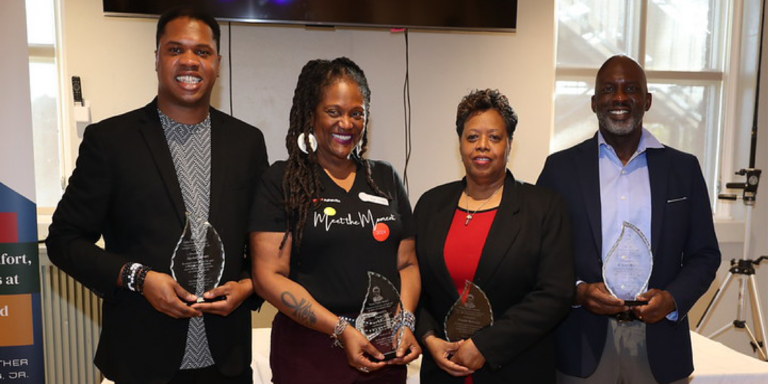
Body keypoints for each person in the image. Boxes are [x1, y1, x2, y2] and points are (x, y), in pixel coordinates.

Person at [45, 7, 268, 384]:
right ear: (157, 58)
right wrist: (138, 278)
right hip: (140, 361)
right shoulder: (111, 142)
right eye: (175, 49)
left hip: (226, 363)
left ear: (217, 62)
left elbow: (263, 244)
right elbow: (63, 240)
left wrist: (247, 287)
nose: (189, 61)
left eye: (202, 51)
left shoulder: (247, 142)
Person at [537, 55, 721, 384]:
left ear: (647, 100)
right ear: (595, 102)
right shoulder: (560, 170)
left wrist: (672, 299)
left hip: (661, 343)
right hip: (581, 345)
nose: (620, 97)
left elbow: (705, 255)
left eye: (631, 89)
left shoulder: (684, 169)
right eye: (609, 89)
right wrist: (577, 291)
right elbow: (538, 255)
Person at [249, 57, 421, 384]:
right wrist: (341, 329)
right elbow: (268, 275)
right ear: (311, 114)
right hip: (310, 353)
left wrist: (405, 322)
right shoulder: (282, 180)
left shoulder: (385, 177)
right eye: (334, 112)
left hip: (383, 352)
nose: (347, 123)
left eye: (357, 113)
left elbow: (407, 264)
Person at [414, 89, 575, 384]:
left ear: (510, 144)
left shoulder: (544, 207)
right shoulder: (430, 205)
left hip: (516, 369)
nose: (482, 146)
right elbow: (418, 286)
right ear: (460, 144)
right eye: (472, 137)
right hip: (443, 369)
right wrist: (428, 337)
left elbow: (555, 294)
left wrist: (486, 345)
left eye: (495, 137)